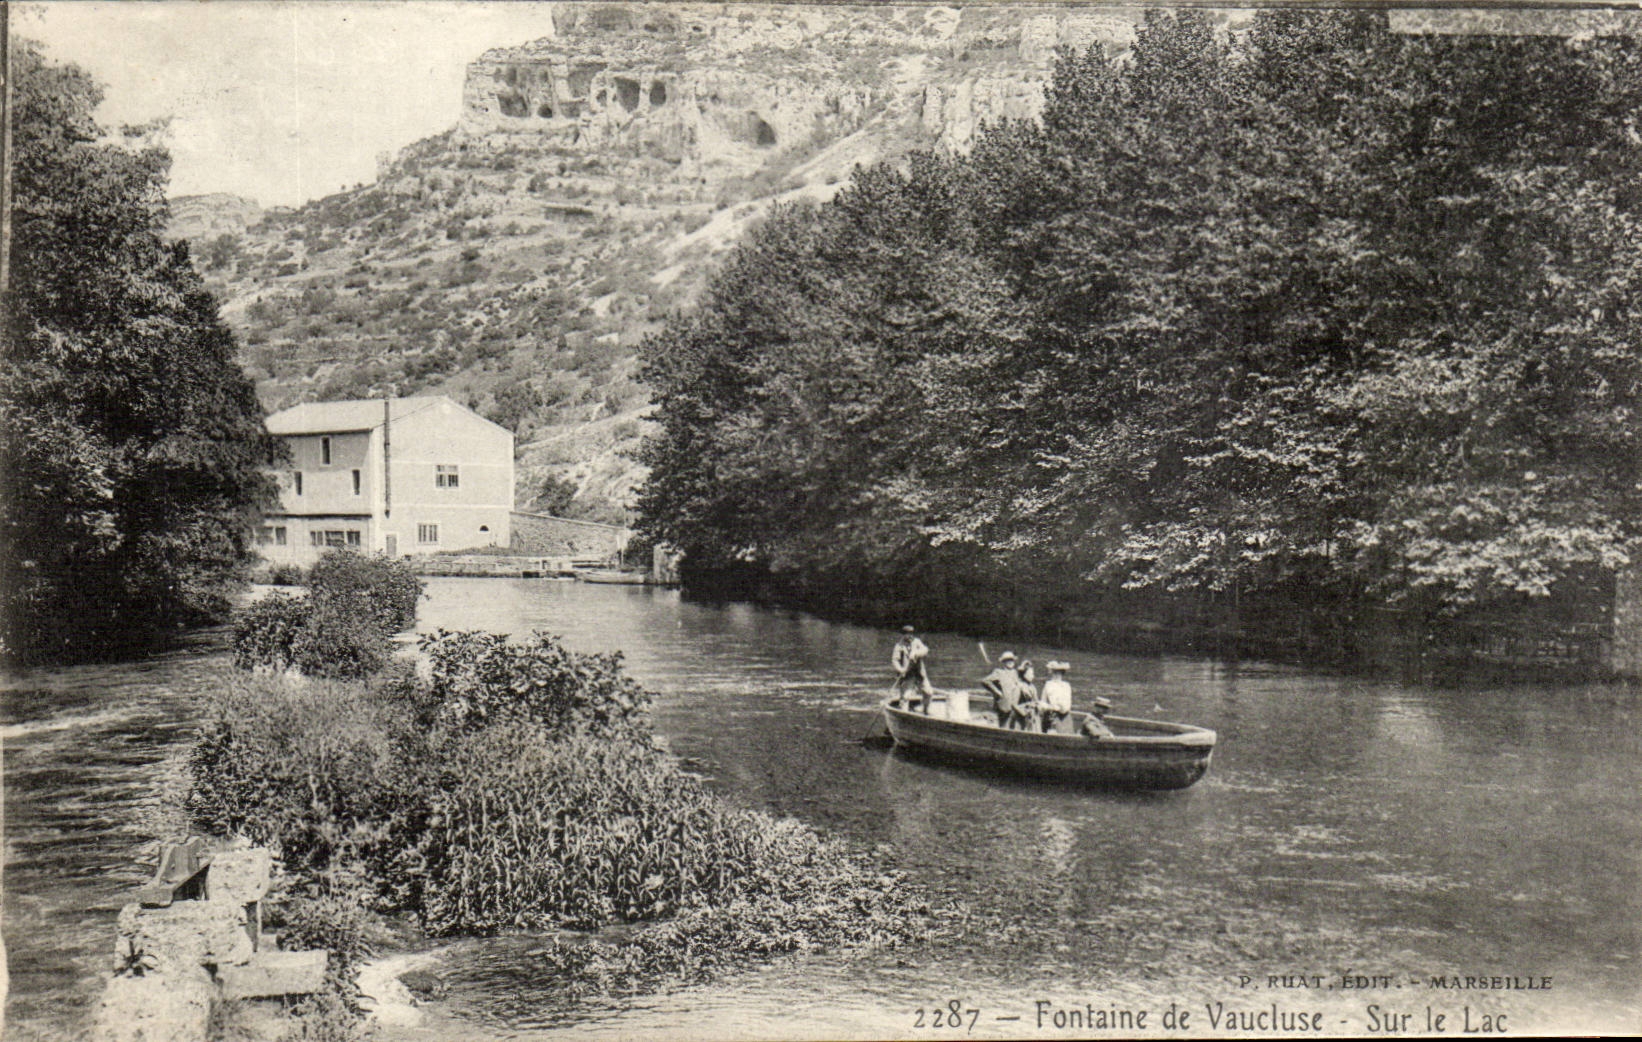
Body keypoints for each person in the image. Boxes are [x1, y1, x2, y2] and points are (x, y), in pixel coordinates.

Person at [980, 651, 1030, 729]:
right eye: (1007, 660)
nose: (1010, 662)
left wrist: (1025, 665)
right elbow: (985, 681)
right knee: (1004, 726)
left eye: (1012, 660)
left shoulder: (1015, 672)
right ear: (1004, 662)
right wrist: (997, 692)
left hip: (1016, 706)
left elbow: (1022, 670)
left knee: (1015, 726)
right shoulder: (999, 672)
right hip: (1004, 705)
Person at [891, 625, 934, 713]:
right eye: (908, 634)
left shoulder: (917, 642)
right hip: (907, 675)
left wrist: (916, 653)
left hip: (919, 673)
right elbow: (895, 660)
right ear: (903, 635)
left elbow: (925, 650)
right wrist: (901, 670)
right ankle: (903, 714)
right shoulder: (899, 646)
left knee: (929, 692)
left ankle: (925, 710)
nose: (910, 636)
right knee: (906, 697)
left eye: (911, 633)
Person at [1040, 661, 1073, 733]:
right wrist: (1049, 707)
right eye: (1054, 672)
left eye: (1059, 673)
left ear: (1062, 673)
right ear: (1052, 673)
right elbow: (1042, 702)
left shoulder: (1066, 686)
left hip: (1063, 718)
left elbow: (1067, 705)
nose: (1056, 675)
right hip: (1050, 716)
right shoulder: (1048, 684)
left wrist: (1060, 707)